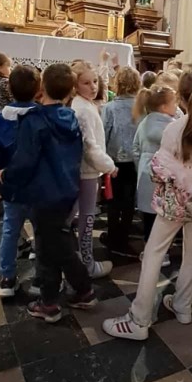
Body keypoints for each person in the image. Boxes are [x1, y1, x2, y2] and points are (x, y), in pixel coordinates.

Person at [102, 70, 192, 340]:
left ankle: (139, 320)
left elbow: (159, 168)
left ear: (180, 96)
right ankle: (183, 307)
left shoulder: (175, 128)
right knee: (191, 252)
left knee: (153, 253)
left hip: (175, 203)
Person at [0, 63, 97, 323]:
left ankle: (60, 299)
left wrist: (8, 174)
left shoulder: (35, 120)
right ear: (70, 91)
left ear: (42, 87)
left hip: (44, 192)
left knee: (48, 247)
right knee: (54, 241)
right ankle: (61, 296)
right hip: (67, 189)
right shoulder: (70, 116)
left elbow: (25, 160)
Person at [0, 65, 40, 299]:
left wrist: (3, 164)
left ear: (9, 88)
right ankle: (40, 277)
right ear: (38, 89)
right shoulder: (41, 115)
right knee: (41, 229)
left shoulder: (0, 117)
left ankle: (7, 278)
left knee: (10, 230)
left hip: (10, 183)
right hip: (37, 182)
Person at [71, 60, 117, 281]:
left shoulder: (85, 104)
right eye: (86, 83)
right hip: (87, 171)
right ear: (75, 86)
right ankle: (87, 264)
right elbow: (90, 147)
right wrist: (109, 165)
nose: (93, 87)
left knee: (81, 216)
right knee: (87, 218)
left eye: (95, 81)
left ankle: (79, 260)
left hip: (87, 170)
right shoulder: (83, 110)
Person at [101, 66, 141, 258]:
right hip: (135, 160)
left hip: (114, 161)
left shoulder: (110, 108)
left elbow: (104, 133)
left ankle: (113, 236)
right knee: (129, 200)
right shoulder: (142, 107)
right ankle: (124, 236)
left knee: (113, 200)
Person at [132, 84, 177, 246]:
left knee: (148, 217)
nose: (176, 106)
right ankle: (162, 252)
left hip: (145, 174)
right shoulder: (173, 126)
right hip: (166, 178)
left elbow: (135, 148)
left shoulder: (143, 123)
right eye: (174, 102)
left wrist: (140, 167)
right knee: (164, 217)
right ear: (164, 107)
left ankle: (147, 247)